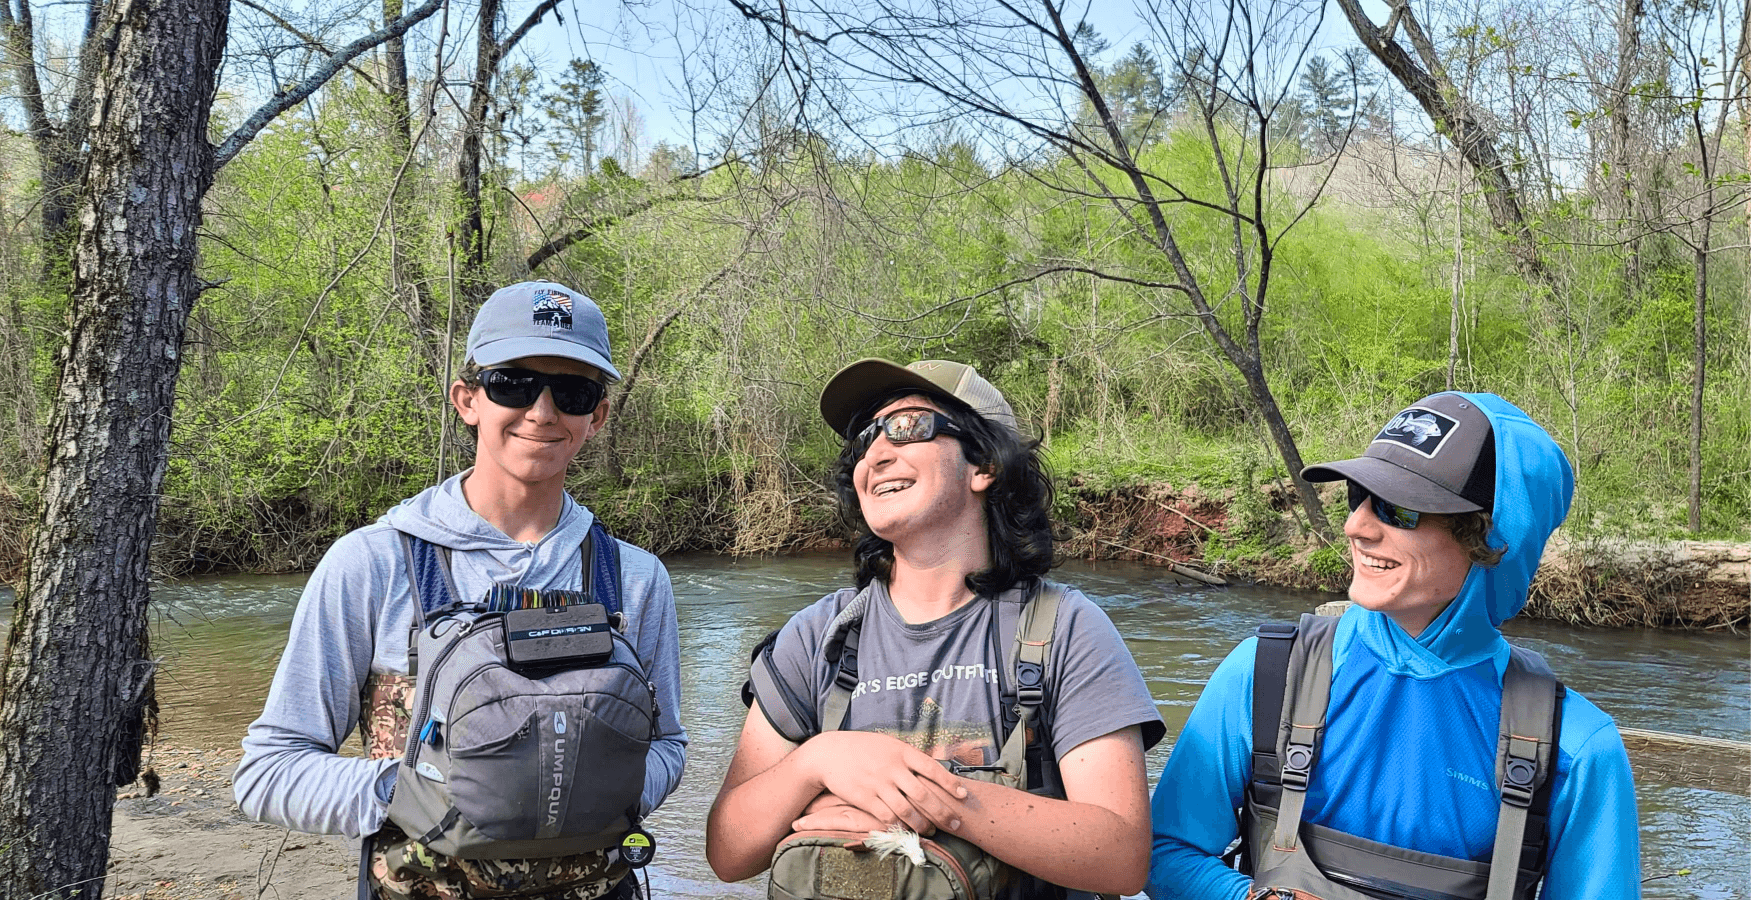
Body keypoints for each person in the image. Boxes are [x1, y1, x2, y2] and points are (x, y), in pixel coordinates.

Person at [235, 281, 688, 900]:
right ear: (467, 399)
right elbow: (267, 772)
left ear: (597, 415)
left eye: (573, 391)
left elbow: (668, 746)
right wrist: (418, 793)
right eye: (513, 383)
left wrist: (605, 789)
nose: (542, 410)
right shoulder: (371, 564)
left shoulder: (635, 579)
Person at [1147, 392, 1640, 900]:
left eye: (1398, 509)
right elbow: (1165, 850)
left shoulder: (1577, 749)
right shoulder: (1265, 676)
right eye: (1356, 495)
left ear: (1494, 540)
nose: (1355, 526)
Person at [706, 358, 1166, 899]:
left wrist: (927, 802)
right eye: (865, 441)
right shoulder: (815, 636)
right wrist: (816, 763)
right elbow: (728, 852)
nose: (876, 454)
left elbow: (1120, 857)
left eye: (907, 427)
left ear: (985, 464)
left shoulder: (1068, 629)